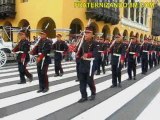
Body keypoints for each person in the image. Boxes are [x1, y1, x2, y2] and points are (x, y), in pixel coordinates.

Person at [77, 26, 98, 103]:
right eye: (85, 33)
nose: (86, 34)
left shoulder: (95, 43)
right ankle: (84, 96)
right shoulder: (83, 42)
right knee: (82, 80)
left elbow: (95, 53)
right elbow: (79, 52)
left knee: (89, 80)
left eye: (88, 33)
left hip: (90, 64)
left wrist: (88, 54)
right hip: (82, 64)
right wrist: (78, 55)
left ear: (92, 34)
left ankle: (93, 92)